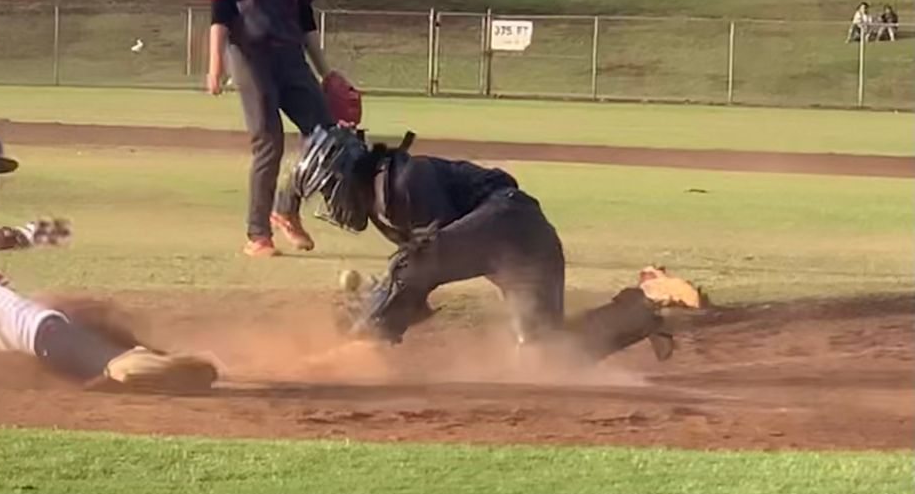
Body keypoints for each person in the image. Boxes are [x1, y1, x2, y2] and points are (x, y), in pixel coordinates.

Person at [0, 121, 218, 392]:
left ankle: (150, 358)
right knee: (15, 316)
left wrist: (82, 316)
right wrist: (15, 237)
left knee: (54, 315)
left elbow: (5, 295)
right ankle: (118, 364)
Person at [292, 127, 701, 359]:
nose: (329, 202)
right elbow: (424, 272)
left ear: (344, 177)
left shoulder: (402, 182)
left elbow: (424, 264)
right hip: (521, 244)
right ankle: (642, 306)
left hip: (510, 221)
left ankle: (361, 350)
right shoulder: (385, 193)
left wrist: (372, 324)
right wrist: (379, 305)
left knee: (412, 264)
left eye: (328, 190)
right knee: (546, 357)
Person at [203, 0, 354, 258]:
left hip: (291, 58)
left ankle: (285, 208)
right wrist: (215, 65)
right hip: (251, 57)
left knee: (327, 138)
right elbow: (220, 14)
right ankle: (257, 236)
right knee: (269, 142)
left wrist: (327, 72)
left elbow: (305, 18)